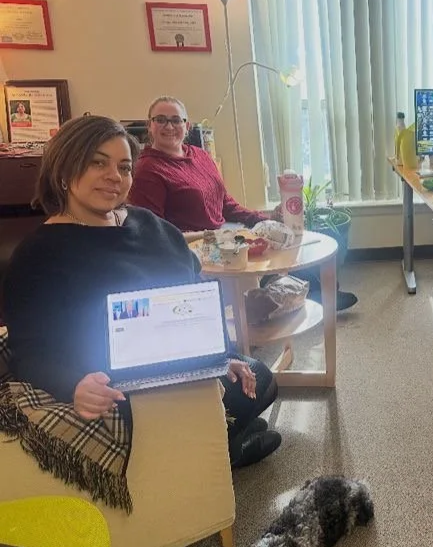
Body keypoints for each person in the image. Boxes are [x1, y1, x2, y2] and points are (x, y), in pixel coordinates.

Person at [2, 115, 282, 468]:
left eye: (124, 167)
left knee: (260, 378)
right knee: (236, 405)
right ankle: (228, 449)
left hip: (182, 360)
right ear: (63, 169)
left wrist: (222, 354)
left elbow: (194, 291)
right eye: (97, 163)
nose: (114, 177)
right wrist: (73, 385)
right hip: (118, 386)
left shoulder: (146, 223)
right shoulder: (37, 255)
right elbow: (27, 351)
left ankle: (221, 441)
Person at [127, 96, 358, 311]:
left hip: (222, 234)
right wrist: (211, 236)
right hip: (193, 247)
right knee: (261, 253)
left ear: (187, 126)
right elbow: (155, 232)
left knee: (283, 235)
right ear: (149, 126)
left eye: (176, 120)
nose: (169, 126)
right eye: (161, 120)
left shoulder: (200, 156)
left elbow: (226, 204)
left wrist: (266, 218)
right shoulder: (147, 170)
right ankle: (277, 303)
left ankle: (315, 294)